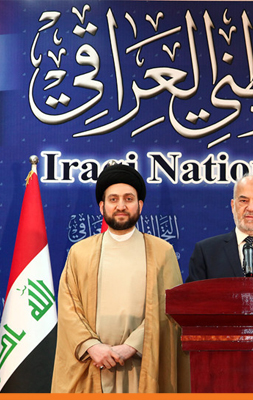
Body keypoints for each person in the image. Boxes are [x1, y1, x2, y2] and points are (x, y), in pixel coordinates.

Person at [52, 164, 190, 393]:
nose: (121, 206)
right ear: (102, 206)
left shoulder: (162, 252)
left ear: (140, 205)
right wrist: (92, 346)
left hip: (142, 365)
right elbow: (69, 309)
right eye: (113, 199)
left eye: (128, 199)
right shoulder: (80, 252)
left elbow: (169, 309)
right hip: (93, 364)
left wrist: (132, 346)